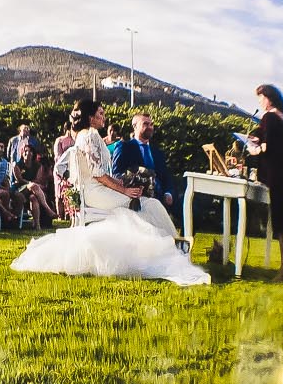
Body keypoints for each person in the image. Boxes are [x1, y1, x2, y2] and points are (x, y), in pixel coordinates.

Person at [11, 100, 206, 286]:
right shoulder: (90, 136)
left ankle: (166, 248)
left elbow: (100, 174)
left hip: (97, 188)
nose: (104, 117)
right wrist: (125, 190)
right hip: (96, 191)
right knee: (146, 204)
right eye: (100, 114)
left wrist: (123, 182)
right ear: (90, 117)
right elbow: (98, 175)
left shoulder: (86, 135)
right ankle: (165, 252)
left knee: (146, 202)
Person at [248, 83, 283, 281]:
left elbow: (267, 146)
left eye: (261, 97)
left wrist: (254, 149)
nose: (260, 102)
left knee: (282, 223)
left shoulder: (269, 117)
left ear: (269, 98)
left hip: (278, 177)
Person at [112, 112, 177, 217]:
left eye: (151, 124)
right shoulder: (124, 147)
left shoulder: (158, 152)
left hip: (160, 200)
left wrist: (168, 193)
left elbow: (166, 176)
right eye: (145, 124)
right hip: (136, 199)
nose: (150, 127)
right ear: (135, 126)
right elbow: (116, 174)